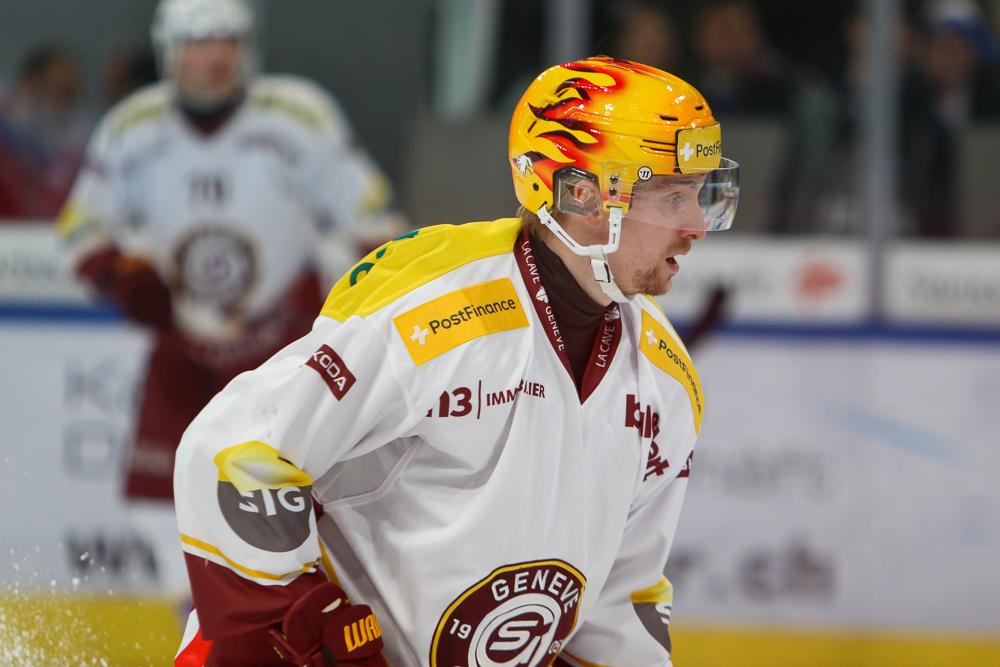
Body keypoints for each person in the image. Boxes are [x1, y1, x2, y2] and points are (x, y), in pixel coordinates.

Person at [173, 56, 739, 666]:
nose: (696, 224)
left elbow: (619, 604)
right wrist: (306, 620)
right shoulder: (433, 311)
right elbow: (234, 451)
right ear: (581, 193)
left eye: (700, 194)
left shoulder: (664, 379)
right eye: (672, 196)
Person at [57, 0, 402, 501]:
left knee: (288, 494)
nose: (216, 57)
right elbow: (79, 228)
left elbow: (379, 225)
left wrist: (340, 290)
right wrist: (123, 278)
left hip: (285, 343)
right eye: (199, 42)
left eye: (228, 41)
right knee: (163, 496)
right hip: (182, 345)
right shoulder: (132, 127)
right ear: (169, 49)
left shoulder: (300, 116)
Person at [0, 45, 88, 219]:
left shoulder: (74, 154)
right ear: (28, 87)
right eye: (60, 91)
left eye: (71, 95)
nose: (65, 105)